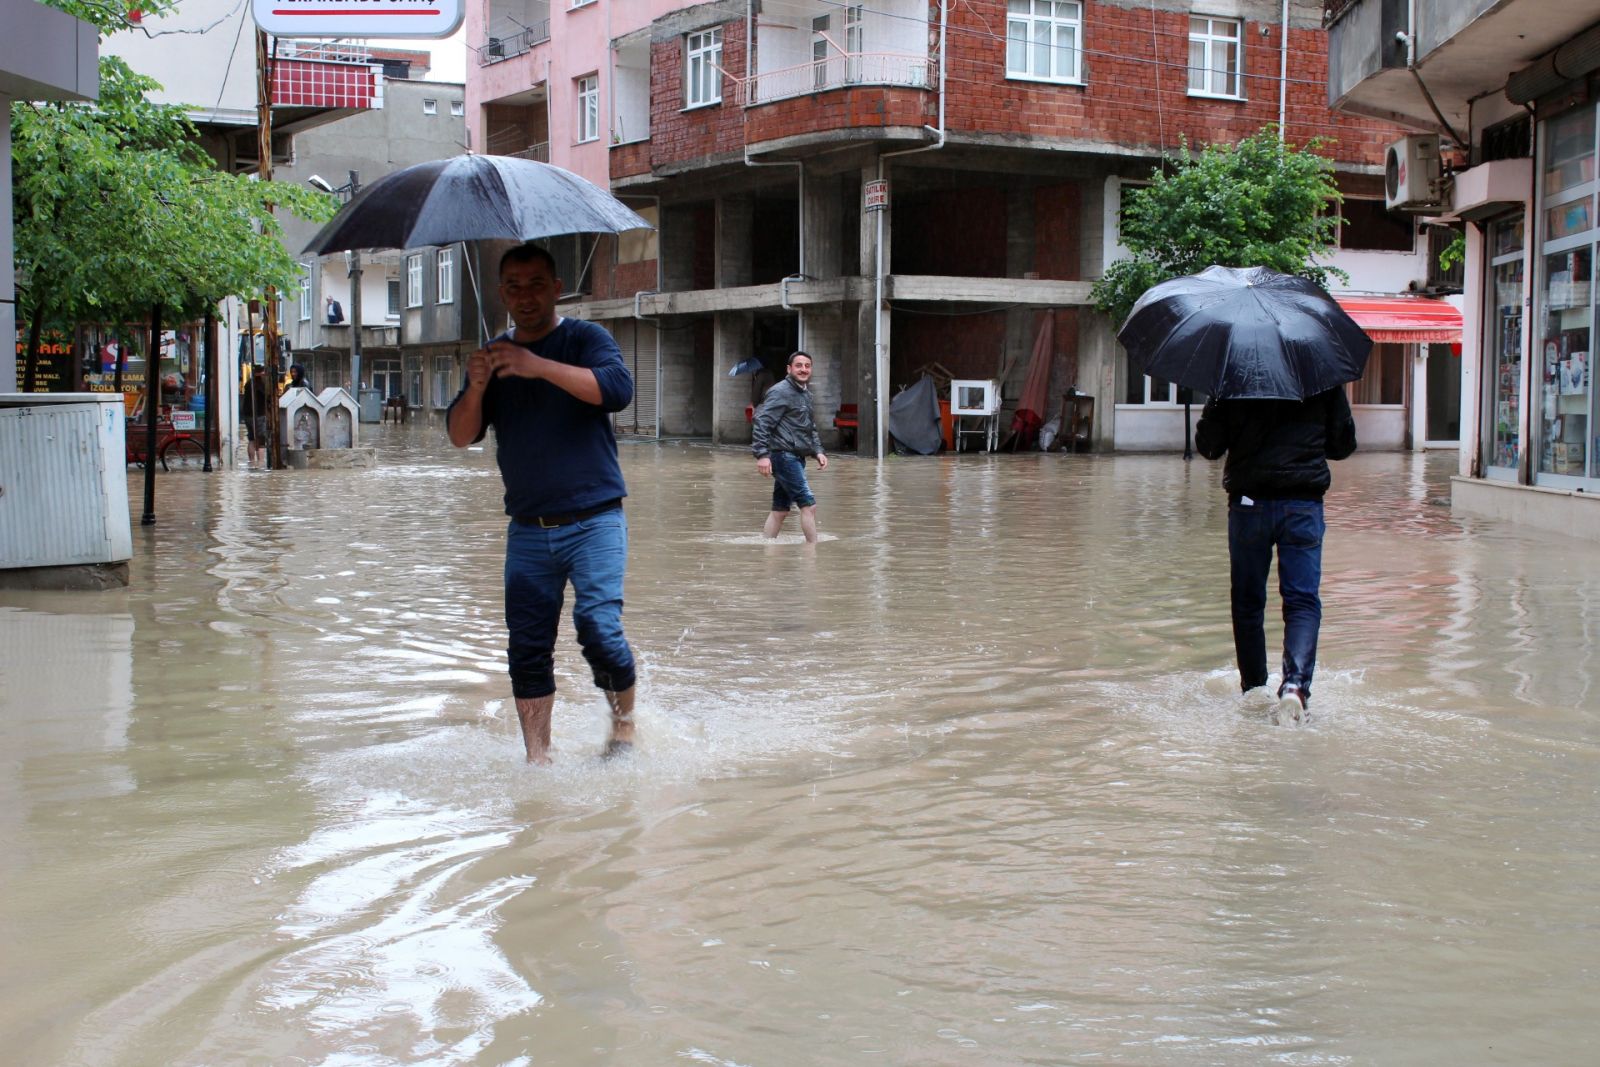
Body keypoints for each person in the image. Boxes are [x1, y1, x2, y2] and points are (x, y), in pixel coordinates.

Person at [447, 242, 637, 764]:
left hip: (596, 519)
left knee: (598, 627)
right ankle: (538, 758)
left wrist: (538, 365)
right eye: (514, 286)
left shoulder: (585, 338)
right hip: (528, 529)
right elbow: (460, 436)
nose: (525, 296)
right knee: (527, 646)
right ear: (501, 293)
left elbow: (617, 390)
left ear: (556, 289)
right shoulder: (492, 358)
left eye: (536, 284)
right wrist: (477, 387)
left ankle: (623, 729)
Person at [1195, 386, 1357, 725]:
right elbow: (1342, 446)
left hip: (1248, 505)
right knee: (1302, 602)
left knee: (1247, 602)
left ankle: (1255, 690)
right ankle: (1295, 686)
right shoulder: (1322, 378)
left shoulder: (1233, 378)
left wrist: (1218, 401)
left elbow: (1209, 446)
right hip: (1303, 505)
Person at [751, 350, 829, 542]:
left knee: (780, 510)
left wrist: (818, 451)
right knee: (809, 505)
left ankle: (767, 547)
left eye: (807, 366)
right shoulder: (780, 391)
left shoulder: (805, 394)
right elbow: (762, 422)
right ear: (789, 369)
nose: (803, 369)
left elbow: (809, 427)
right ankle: (813, 551)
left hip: (794, 456)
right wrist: (762, 455)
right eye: (798, 365)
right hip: (783, 456)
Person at [240, 367, 269, 469]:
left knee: (251, 439)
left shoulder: (249, 383)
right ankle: (261, 463)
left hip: (248, 415)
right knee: (261, 440)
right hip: (259, 415)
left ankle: (251, 462)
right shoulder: (261, 385)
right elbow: (267, 398)